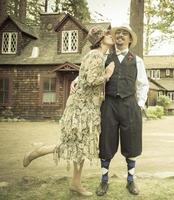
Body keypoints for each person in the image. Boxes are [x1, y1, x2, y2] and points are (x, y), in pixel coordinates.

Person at [22, 26, 115, 196]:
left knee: (80, 148)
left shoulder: (99, 55)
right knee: (74, 146)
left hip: (88, 107)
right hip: (82, 109)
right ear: (101, 39)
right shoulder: (96, 55)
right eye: (107, 34)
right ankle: (39, 151)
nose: (111, 36)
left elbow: (84, 75)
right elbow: (93, 79)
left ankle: (75, 184)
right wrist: (108, 74)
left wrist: (78, 78)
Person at [95, 24, 149, 196]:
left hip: (129, 105)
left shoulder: (137, 60)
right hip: (109, 105)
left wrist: (139, 104)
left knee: (131, 143)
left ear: (130, 39)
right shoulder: (105, 57)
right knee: (106, 142)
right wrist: (77, 80)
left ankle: (131, 181)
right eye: (117, 33)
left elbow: (143, 84)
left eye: (124, 34)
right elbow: (91, 73)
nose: (119, 35)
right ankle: (104, 181)